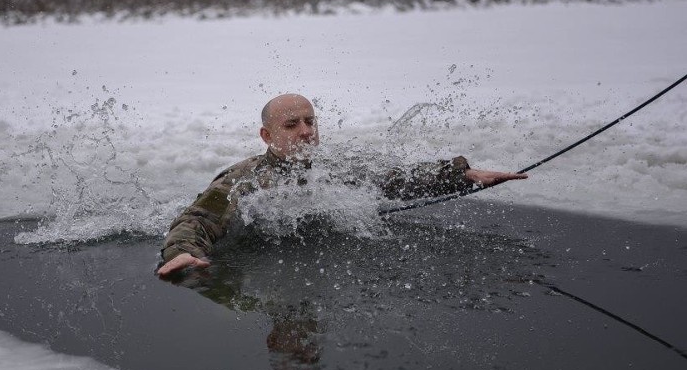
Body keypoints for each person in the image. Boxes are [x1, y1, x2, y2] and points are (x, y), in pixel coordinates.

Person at [157, 94, 527, 276]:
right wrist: (180, 253)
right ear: (267, 135)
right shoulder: (244, 179)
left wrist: (461, 174)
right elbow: (198, 220)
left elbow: (396, 181)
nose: (305, 131)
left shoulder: (336, 169)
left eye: (309, 121)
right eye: (291, 125)